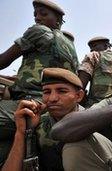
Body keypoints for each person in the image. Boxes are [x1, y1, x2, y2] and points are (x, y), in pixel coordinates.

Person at [0, 0, 79, 165]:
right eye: (35, 14)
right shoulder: (69, 45)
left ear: (57, 21)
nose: (37, 18)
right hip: (47, 102)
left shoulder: (39, 31)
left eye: (43, 14)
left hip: (31, 103)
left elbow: (3, 60)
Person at [1, 68, 85, 170]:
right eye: (47, 92)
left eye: (62, 91)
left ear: (79, 96)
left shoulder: (92, 123)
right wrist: (22, 131)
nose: (52, 98)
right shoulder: (38, 123)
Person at [78, 36, 112, 107]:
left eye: (94, 46)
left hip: (98, 110)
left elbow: (79, 86)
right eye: (90, 48)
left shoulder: (94, 56)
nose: (91, 50)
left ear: (106, 45)